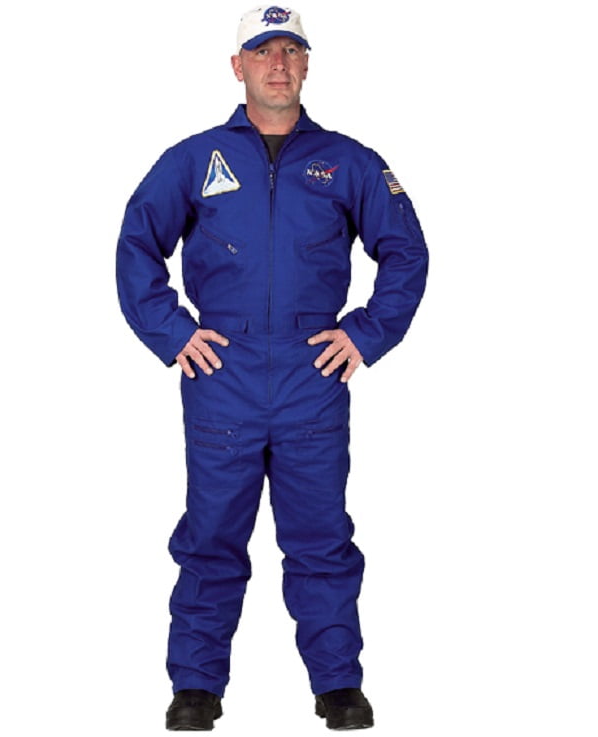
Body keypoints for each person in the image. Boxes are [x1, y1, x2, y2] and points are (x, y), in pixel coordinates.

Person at [116, 6, 428, 731]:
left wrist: (365, 333)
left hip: (311, 375)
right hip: (220, 374)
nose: (278, 64)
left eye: (291, 50)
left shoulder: (348, 162)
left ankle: (337, 683)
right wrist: (174, 333)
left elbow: (406, 251)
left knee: (320, 537)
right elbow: (136, 243)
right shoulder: (194, 159)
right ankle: (196, 685)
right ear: (239, 67)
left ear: (307, 63)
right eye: (262, 52)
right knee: (211, 535)